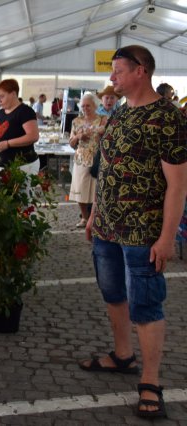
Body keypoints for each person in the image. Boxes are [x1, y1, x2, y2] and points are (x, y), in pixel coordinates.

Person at [79, 45, 187, 419]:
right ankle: (122, 355)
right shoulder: (121, 113)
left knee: (146, 304)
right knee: (113, 293)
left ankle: (152, 381)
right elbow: (107, 170)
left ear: (141, 71)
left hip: (143, 233)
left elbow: (177, 186)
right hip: (107, 227)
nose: (112, 78)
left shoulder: (168, 119)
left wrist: (167, 237)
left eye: (119, 71)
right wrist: (93, 214)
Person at [68, 93, 107, 228]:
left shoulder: (102, 119)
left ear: (95, 106)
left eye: (88, 105)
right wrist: (79, 136)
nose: (85, 108)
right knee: (80, 189)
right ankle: (84, 217)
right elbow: (71, 143)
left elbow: (106, 134)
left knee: (97, 190)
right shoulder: (76, 121)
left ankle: (95, 218)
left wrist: (99, 131)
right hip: (81, 159)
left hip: (97, 158)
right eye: (83, 106)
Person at [0, 79, 40, 175]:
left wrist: (8, 143)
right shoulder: (0, 113)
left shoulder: (25, 111)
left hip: (22, 166)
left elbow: (33, 136)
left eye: (2, 96)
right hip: (0, 165)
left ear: (13, 94)